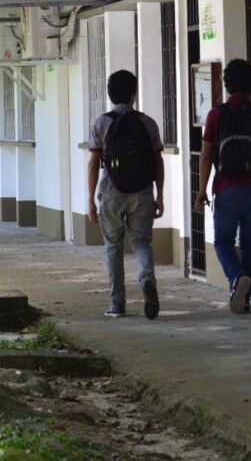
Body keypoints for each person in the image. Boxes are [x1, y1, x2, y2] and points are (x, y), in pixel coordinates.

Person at [195, 59, 251, 314]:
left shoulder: (216, 114)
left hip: (226, 187)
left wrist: (201, 191)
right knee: (249, 243)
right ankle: (244, 298)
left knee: (222, 241)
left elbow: (207, 155)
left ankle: (235, 278)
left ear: (226, 85)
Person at [87, 70, 165, 320]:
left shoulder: (101, 123)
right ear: (133, 94)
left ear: (110, 95)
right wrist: (159, 195)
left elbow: (93, 163)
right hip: (142, 191)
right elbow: (158, 161)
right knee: (141, 242)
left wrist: (90, 199)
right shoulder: (147, 122)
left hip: (111, 192)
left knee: (113, 247)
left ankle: (117, 303)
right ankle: (146, 279)